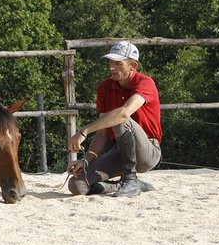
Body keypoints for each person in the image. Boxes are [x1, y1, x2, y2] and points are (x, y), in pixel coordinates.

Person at [66, 41, 162, 197]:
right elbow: (102, 135)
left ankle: (130, 181)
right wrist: (86, 161)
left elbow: (124, 114)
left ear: (133, 65)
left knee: (120, 119)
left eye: (118, 63)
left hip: (148, 152)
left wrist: (84, 131)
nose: (112, 67)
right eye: (111, 62)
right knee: (77, 185)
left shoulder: (146, 83)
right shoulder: (105, 87)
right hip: (120, 151)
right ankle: (122, 184)